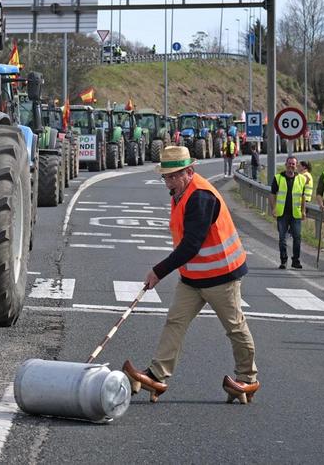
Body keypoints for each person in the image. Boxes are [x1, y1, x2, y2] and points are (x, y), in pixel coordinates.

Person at [123, 146, 258, 403]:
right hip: (193, 277)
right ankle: (157, 374)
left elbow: (191, 245)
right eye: (167, 176)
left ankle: (248, 379)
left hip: (222, 275)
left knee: (234, 327)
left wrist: (158, 271)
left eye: (175, 175)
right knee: (175, 321)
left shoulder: (201, 197)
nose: (170, 181)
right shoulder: (178, 193)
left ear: (189, 171)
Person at [269, 156, 307, 269]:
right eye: (289, 163)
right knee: (282, 238)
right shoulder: (278, 178)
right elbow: (272, 195)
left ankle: (296, 260)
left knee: (297, 237)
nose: (291, 166)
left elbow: (303, 196)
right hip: (282, 213)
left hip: (296, 213)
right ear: (286, 164)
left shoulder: (301, 179)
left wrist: (303, 211)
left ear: (296, 165)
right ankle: (283, 260)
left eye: (293, 164)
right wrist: (273, 208)